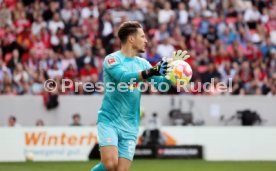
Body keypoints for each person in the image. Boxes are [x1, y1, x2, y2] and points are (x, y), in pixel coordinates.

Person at [90, 21, 190, 171]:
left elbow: (161, 84)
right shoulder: (112, 60)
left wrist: (173, 71)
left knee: (121, 170)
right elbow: (124, 77)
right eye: (142, 36)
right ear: (131, 39)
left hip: (131, 124)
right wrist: (152, 71)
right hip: (110, 120)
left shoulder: (143, 63)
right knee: (110, 164)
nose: (146, 40)